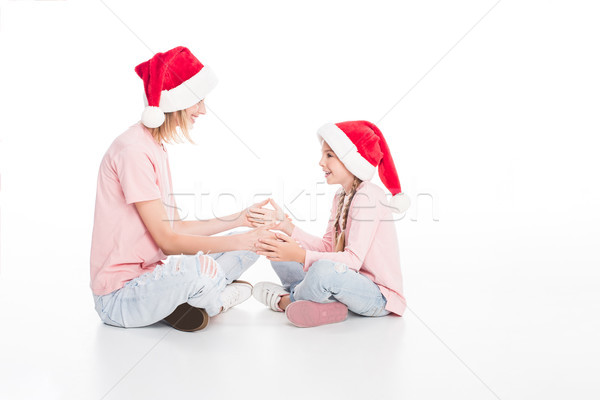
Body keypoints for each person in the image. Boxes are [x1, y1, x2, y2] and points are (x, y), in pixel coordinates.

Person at [90, 46, 274, 332]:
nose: (202, 110)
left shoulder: (154, 147)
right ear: (175, 102)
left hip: (155, 276)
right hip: (120, 296)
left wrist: (240, 221)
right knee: (203, 271)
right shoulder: (134, 151)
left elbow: (175, 227)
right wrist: (241, 242)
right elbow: (168, 242)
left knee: (249, 245)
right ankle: (216, 301)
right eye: (197, 101)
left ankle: (182, 299)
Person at [249, 120, 410, 327]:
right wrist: (286, 227)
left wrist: (300, 255)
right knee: (279, 249)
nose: (321, 162)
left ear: (350, 160)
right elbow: (329, 247)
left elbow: (352, 261)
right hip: (347, 283)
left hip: (377, 297)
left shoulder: (368, 196)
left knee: (323, 270)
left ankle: (287, 301)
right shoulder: (341, 196)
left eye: (329, 155)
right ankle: (323, 304)